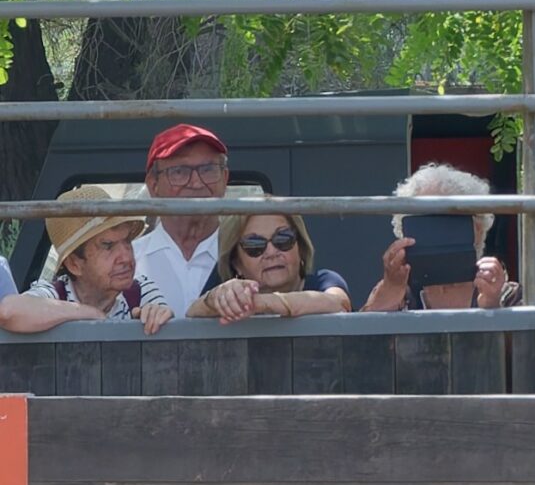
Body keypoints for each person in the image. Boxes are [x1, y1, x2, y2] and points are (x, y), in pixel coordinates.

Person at [0, 187, 172, 335]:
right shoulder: (53, 293)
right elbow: (9, 312)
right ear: (74, 264)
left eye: (127, 241)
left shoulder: (142, 291)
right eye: (108, 245)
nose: (126, 257)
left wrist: (158, 316)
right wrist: (89, 314)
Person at [364, 163, 517, 311]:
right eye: (426, 222)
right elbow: (363, 335)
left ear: (477, 228)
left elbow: (525, 336)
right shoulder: (398, 292)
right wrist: (391, 289)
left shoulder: (506, 294)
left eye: (449, 221)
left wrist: (492, 306)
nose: (438, 234)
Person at [131, 123, 230, 311]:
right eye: (179, 172)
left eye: (208, 170)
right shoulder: (128, 262)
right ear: (153, 185)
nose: (196, 183)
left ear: (225, 178)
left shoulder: (251, 255)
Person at [188, 211, 353, 321]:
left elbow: (339, 303)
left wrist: (262, 303)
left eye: (283, 239)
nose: (272, 252)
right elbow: (192, 315)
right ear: (236, 263)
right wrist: (216, 299)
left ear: (300, 247)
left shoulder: (324, 280)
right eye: (254, 245)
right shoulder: (228, 287)